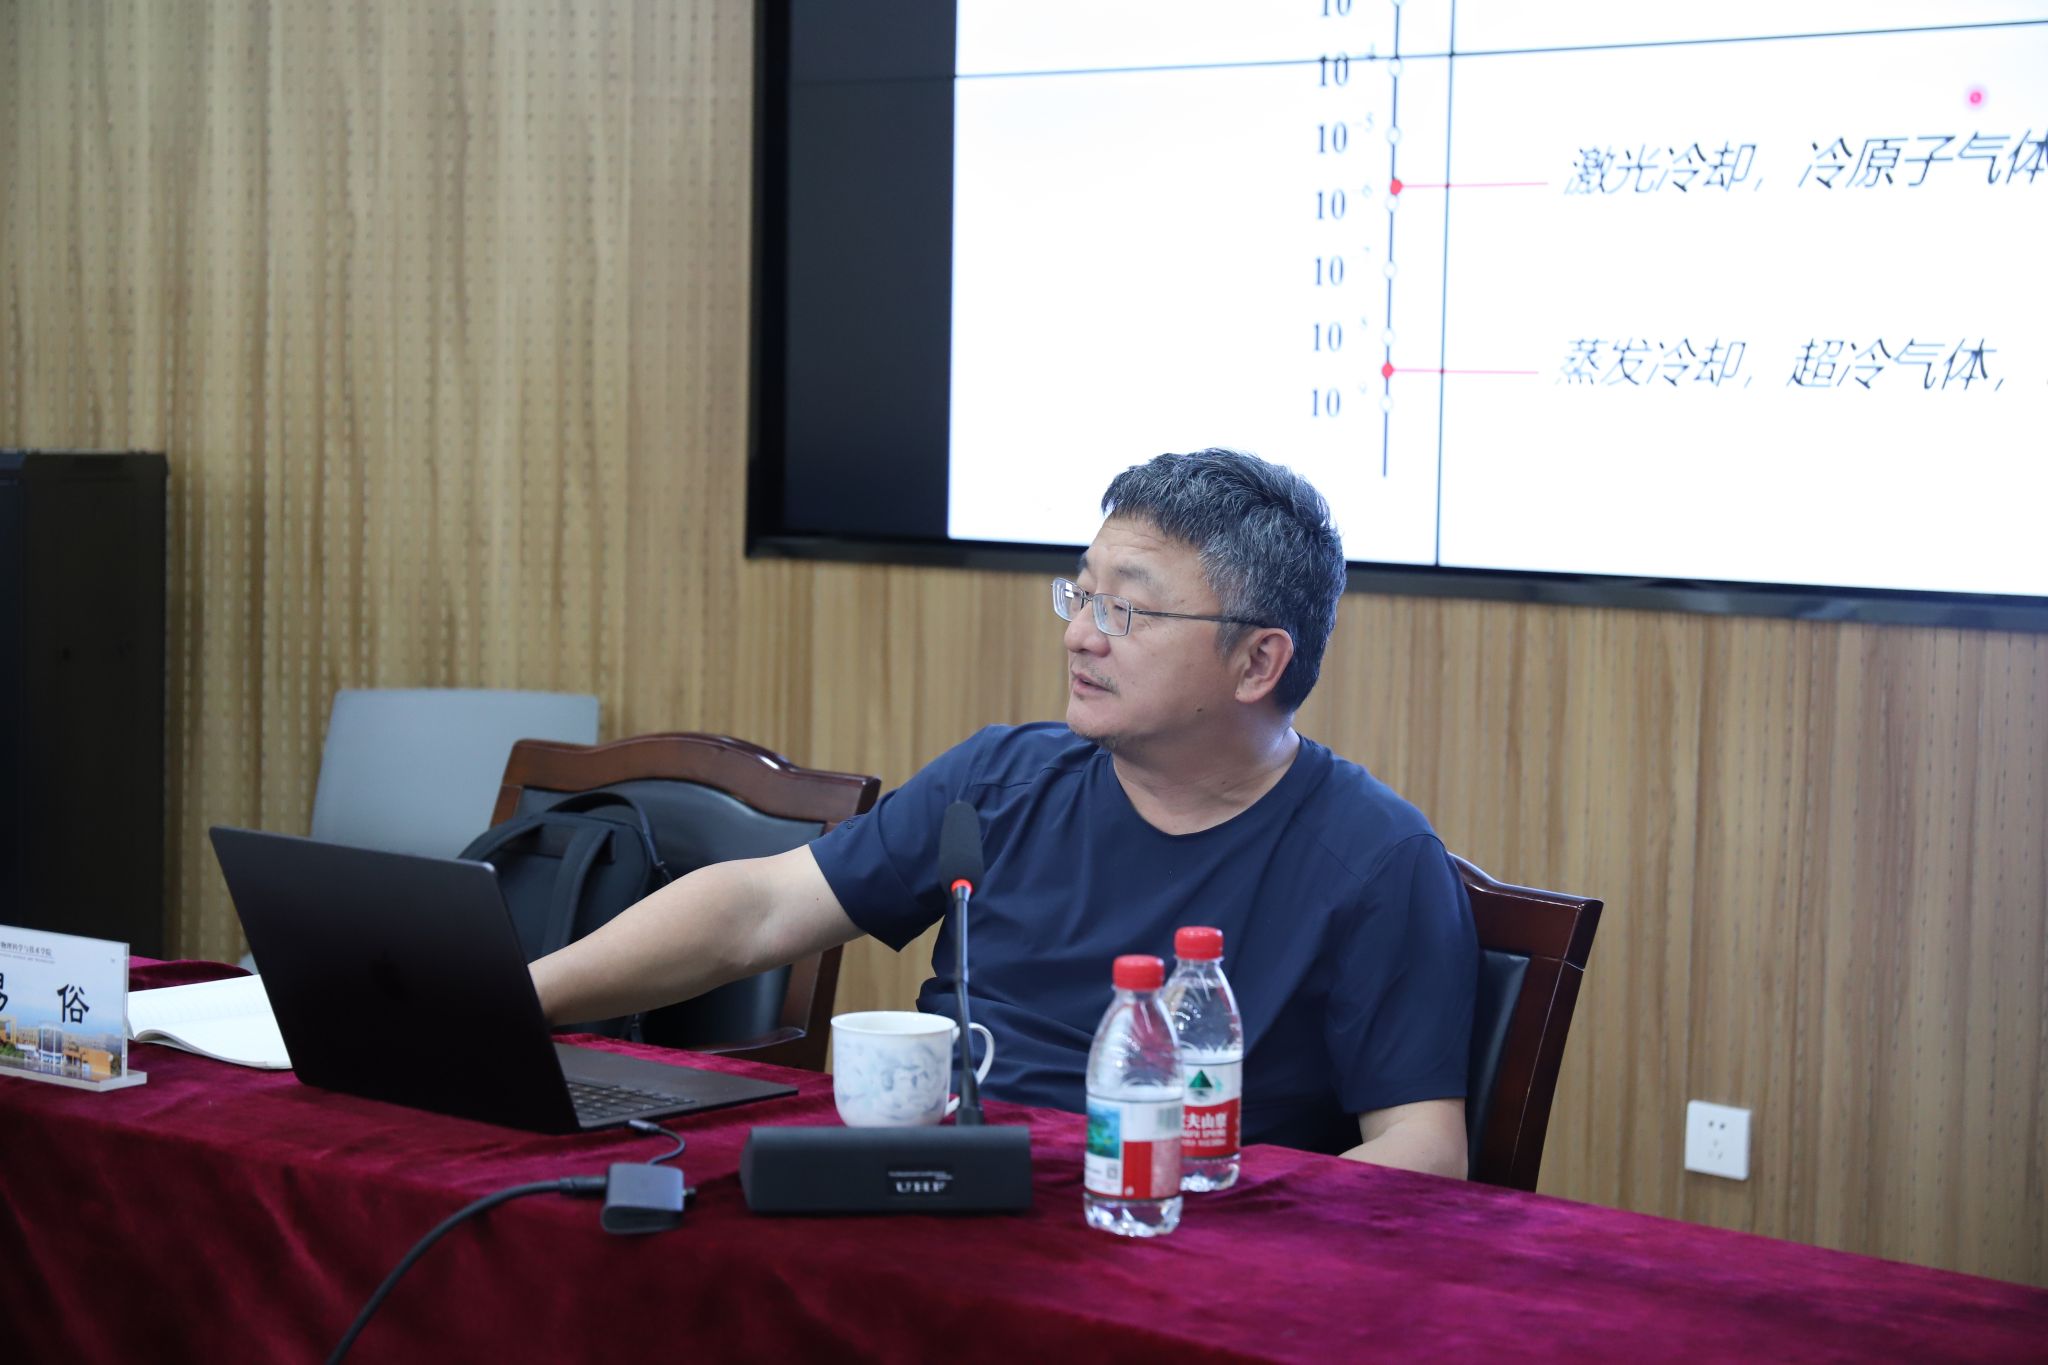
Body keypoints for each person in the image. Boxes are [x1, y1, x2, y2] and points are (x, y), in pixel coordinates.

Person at [532, 449, 1476, 1176]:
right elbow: (761, 908)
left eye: (1127, 611)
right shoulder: (1002, 779)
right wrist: (518, 998)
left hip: (1162, 1236)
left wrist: (1222, 1207)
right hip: (943, 1193)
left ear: (1258, 662)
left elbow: (1425, 1146)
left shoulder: (1374, 857)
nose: (1080, 635)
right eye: (1082, 594)